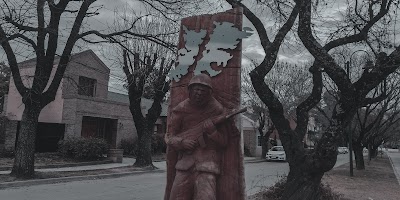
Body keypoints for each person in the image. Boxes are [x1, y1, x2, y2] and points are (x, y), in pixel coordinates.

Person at [164, 73, 229, 200]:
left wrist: (212, 133)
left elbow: (224, 141)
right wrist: (181, 142)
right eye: (196, 90)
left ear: (209, 93)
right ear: (189, 90)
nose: (199, 94)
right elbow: (169, 136)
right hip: (185, 164)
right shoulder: (181, 109)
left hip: (207, 165)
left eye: (203, 91)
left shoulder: (217, 110)